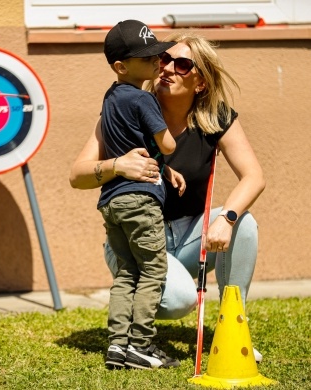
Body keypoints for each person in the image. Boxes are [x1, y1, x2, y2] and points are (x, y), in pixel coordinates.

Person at [69, 32, 266, 363]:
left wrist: (225, 218)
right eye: (163, 59)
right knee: (179, 300)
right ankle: (134, 333)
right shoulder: (125, 108)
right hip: (137, 237)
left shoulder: (216, 118)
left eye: (183, 64)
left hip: (188, 233)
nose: (168, 68)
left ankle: (232, 327)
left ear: (200, 83)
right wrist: (117, 165)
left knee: (243, 224)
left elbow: (254, 176)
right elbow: (77, 176)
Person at [91, 19, 182, 370]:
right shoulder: (143, 99)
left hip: (111, 200)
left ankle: (117, 345)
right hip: (140, 199)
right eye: (148, 59)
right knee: (153, 269)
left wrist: (162, 166)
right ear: (121, 65)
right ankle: (141, 343)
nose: (158, 61)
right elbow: (167, 144)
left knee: (126, 273)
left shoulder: (111, 97)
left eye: (158, 54)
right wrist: (168, 136)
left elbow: (132, 145)